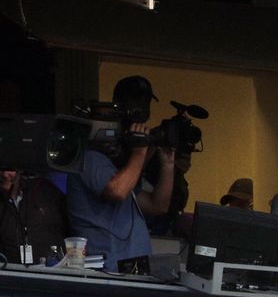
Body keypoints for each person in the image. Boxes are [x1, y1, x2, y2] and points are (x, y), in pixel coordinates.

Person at [67, 76, 175, 272]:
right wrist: (140, 151)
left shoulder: (119, 171)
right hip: (106, 272)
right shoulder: (88, 158)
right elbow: (117, 191)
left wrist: (167, 164)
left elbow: (157, 206)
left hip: (132, 271)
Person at [0, 169, 69, 264]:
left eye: (10, 169)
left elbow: (71, 225)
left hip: (54, 271)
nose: (4, 174)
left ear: (20, 169)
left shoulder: (44, 190)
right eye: (1, 169)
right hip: (9, 273)